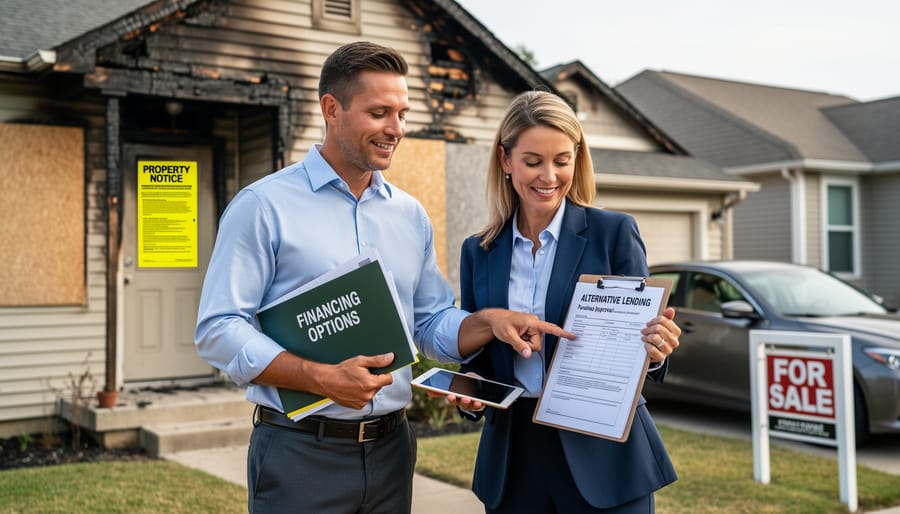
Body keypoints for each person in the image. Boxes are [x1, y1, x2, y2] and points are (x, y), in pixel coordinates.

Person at [194, 42, 573, 514]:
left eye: (402, 113)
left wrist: (487, 322)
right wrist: (318, 377)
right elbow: (218, 329)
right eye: (379, 113)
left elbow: (429, 321)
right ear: (332, 109)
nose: (396, 129)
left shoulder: (409, 215)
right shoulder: (262, 207)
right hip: (298, 453)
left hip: (393, 451)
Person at [422, 90, 681, 514]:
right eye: (533, 161)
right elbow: (480, 359)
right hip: (514, 456)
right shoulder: (479, 251)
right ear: (505, 160)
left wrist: (655, 350)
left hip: (602, 455)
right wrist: (471, 392)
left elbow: (637, 341)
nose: (549, 176)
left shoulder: (612, 233)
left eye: (562, 160)